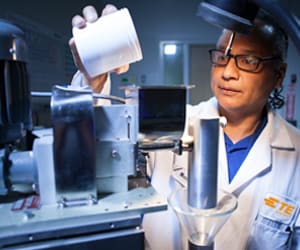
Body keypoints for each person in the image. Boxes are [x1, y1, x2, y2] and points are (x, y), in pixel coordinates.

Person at [69, 4, 300, 250]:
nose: (228, 72)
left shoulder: (295, 154)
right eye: (222, 57)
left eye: (249, 60)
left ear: (279, 75)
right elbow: (86, 158)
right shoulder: (165, 123)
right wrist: (92, 83)